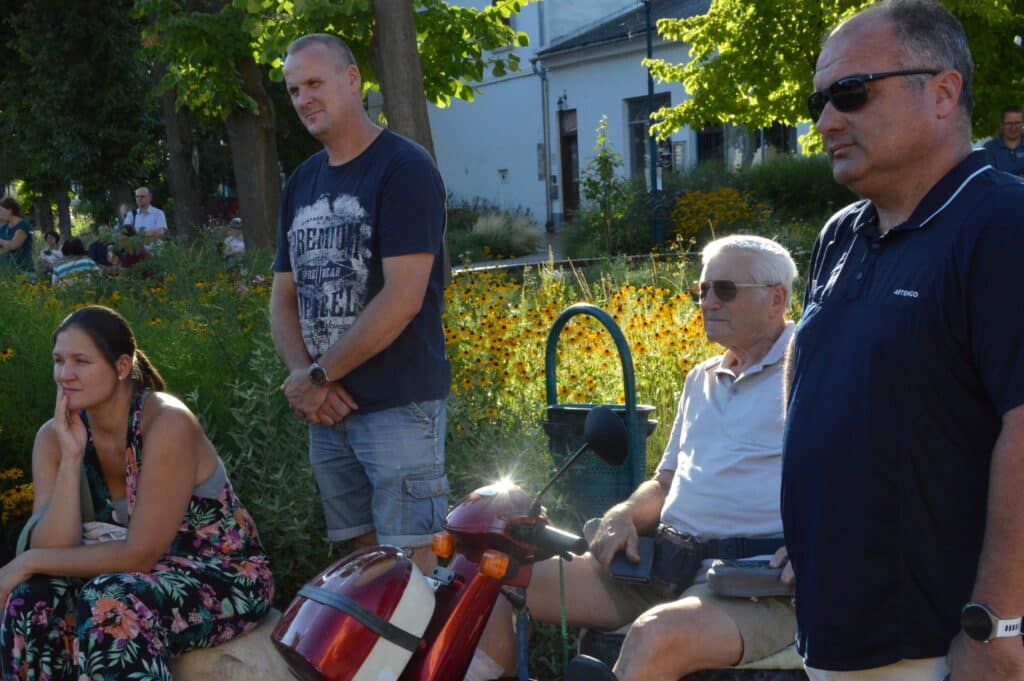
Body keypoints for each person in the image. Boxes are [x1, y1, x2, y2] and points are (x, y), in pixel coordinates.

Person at [782, 2, 1024, 680]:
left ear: (943, 93)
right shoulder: (841, 234)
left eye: (851, 92)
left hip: (938, 645)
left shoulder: (1004, 224)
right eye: (819, 102)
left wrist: (997, 623)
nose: (827, 121)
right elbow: (813, 376)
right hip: (833, 637)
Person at [466, 235, 799, 681]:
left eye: (725, 289)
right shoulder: (701, 378)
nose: (708, 302)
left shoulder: (812, 370)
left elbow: (865, 476)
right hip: (664, 567)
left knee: (655, 634)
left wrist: (823, 546)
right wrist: (622, 514)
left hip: (753, 584)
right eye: (701, 290)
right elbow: (664, 483)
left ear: (776, 299)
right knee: (496, 577)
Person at [0, 305, 274, 679]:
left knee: (110, 601)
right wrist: (71, 457)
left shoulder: (166, 422)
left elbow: (139, 554)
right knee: (32, 600)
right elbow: (56, 547)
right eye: (59, 360)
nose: (65, 374)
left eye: (81, 361)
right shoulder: (54, 437)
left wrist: (26, 561)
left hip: (222, 575)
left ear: (121, 367)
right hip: (134, 577)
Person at [270, 33, 450, 573]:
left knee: (413, 571)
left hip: (398, 406)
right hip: (326, 412)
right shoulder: (301, 182)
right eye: (294, 89)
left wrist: (318, 376)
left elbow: (403, 298)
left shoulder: (404, 168)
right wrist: (304, 378)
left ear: (353, 81)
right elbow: (283, 298)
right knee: (363, 570)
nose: (303, 99)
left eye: (314, 83)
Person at [982, 105, 1024, 176]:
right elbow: (987, 177)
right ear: (1001, 125)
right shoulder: (989, 148)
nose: (1013, 127)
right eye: (1009, 123)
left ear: (1022, 124)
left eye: (1017, 123)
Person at [0, 197, 33, 274]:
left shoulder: (23, 225)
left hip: (24, 272)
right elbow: (3, 249)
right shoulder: (4, 228)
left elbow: (14, 245)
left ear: (9, 210)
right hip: (8, 273)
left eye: (0, 210)